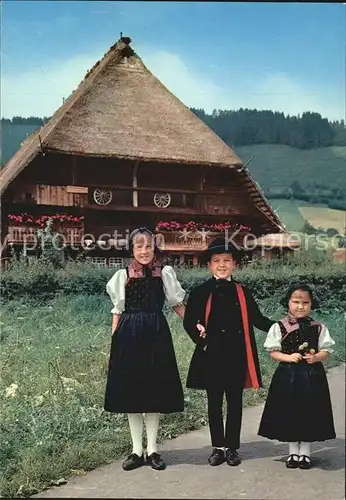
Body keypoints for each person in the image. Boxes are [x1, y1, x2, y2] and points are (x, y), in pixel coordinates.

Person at [183, 236, 274, 467]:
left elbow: (258, 319)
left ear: (234, 264)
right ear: (209, 265)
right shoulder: (200, 291)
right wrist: (202, 341)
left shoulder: (243, 291)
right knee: (214, 402)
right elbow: (189, 322)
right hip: (210, 355)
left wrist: (283, 327)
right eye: (217, 261)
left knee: (235, 402)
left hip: (237, 355)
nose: (222, 265)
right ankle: (217, 448)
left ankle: (232, 447)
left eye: (227, 260)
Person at [104, 227, 186, 471]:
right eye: (139, 246)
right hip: (129, 334)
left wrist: (198, 323)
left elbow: (177, 305)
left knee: (153, 391)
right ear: (132, 249)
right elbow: (117, 310)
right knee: (133, 392)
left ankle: (152, 450)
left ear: (154, 249)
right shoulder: (123, 275)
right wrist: (115, 339)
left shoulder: (164, 274)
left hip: (156, 333)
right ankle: (136, 451)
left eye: (148, 246)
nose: (144, 251)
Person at [258, 283, 336, 469]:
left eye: (305, 302)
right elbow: (273, 352)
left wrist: (316, 357)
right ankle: (293, 453)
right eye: (296, 301)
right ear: (288, 302)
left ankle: (306, 454)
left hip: (312, 376)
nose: (300, 306)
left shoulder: (318, 327)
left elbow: (326, 350)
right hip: (288, 375)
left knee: (309, 411)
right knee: (290, 411)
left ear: (311, 304)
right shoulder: (279, 327)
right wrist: (288, 356)